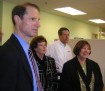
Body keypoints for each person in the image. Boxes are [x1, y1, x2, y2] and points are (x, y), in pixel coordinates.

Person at [0, 2, 42, 91]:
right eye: (33, 19)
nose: (38, 24)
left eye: (38, 19)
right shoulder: (8, 52)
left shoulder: (28, 51)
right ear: (17, 19)